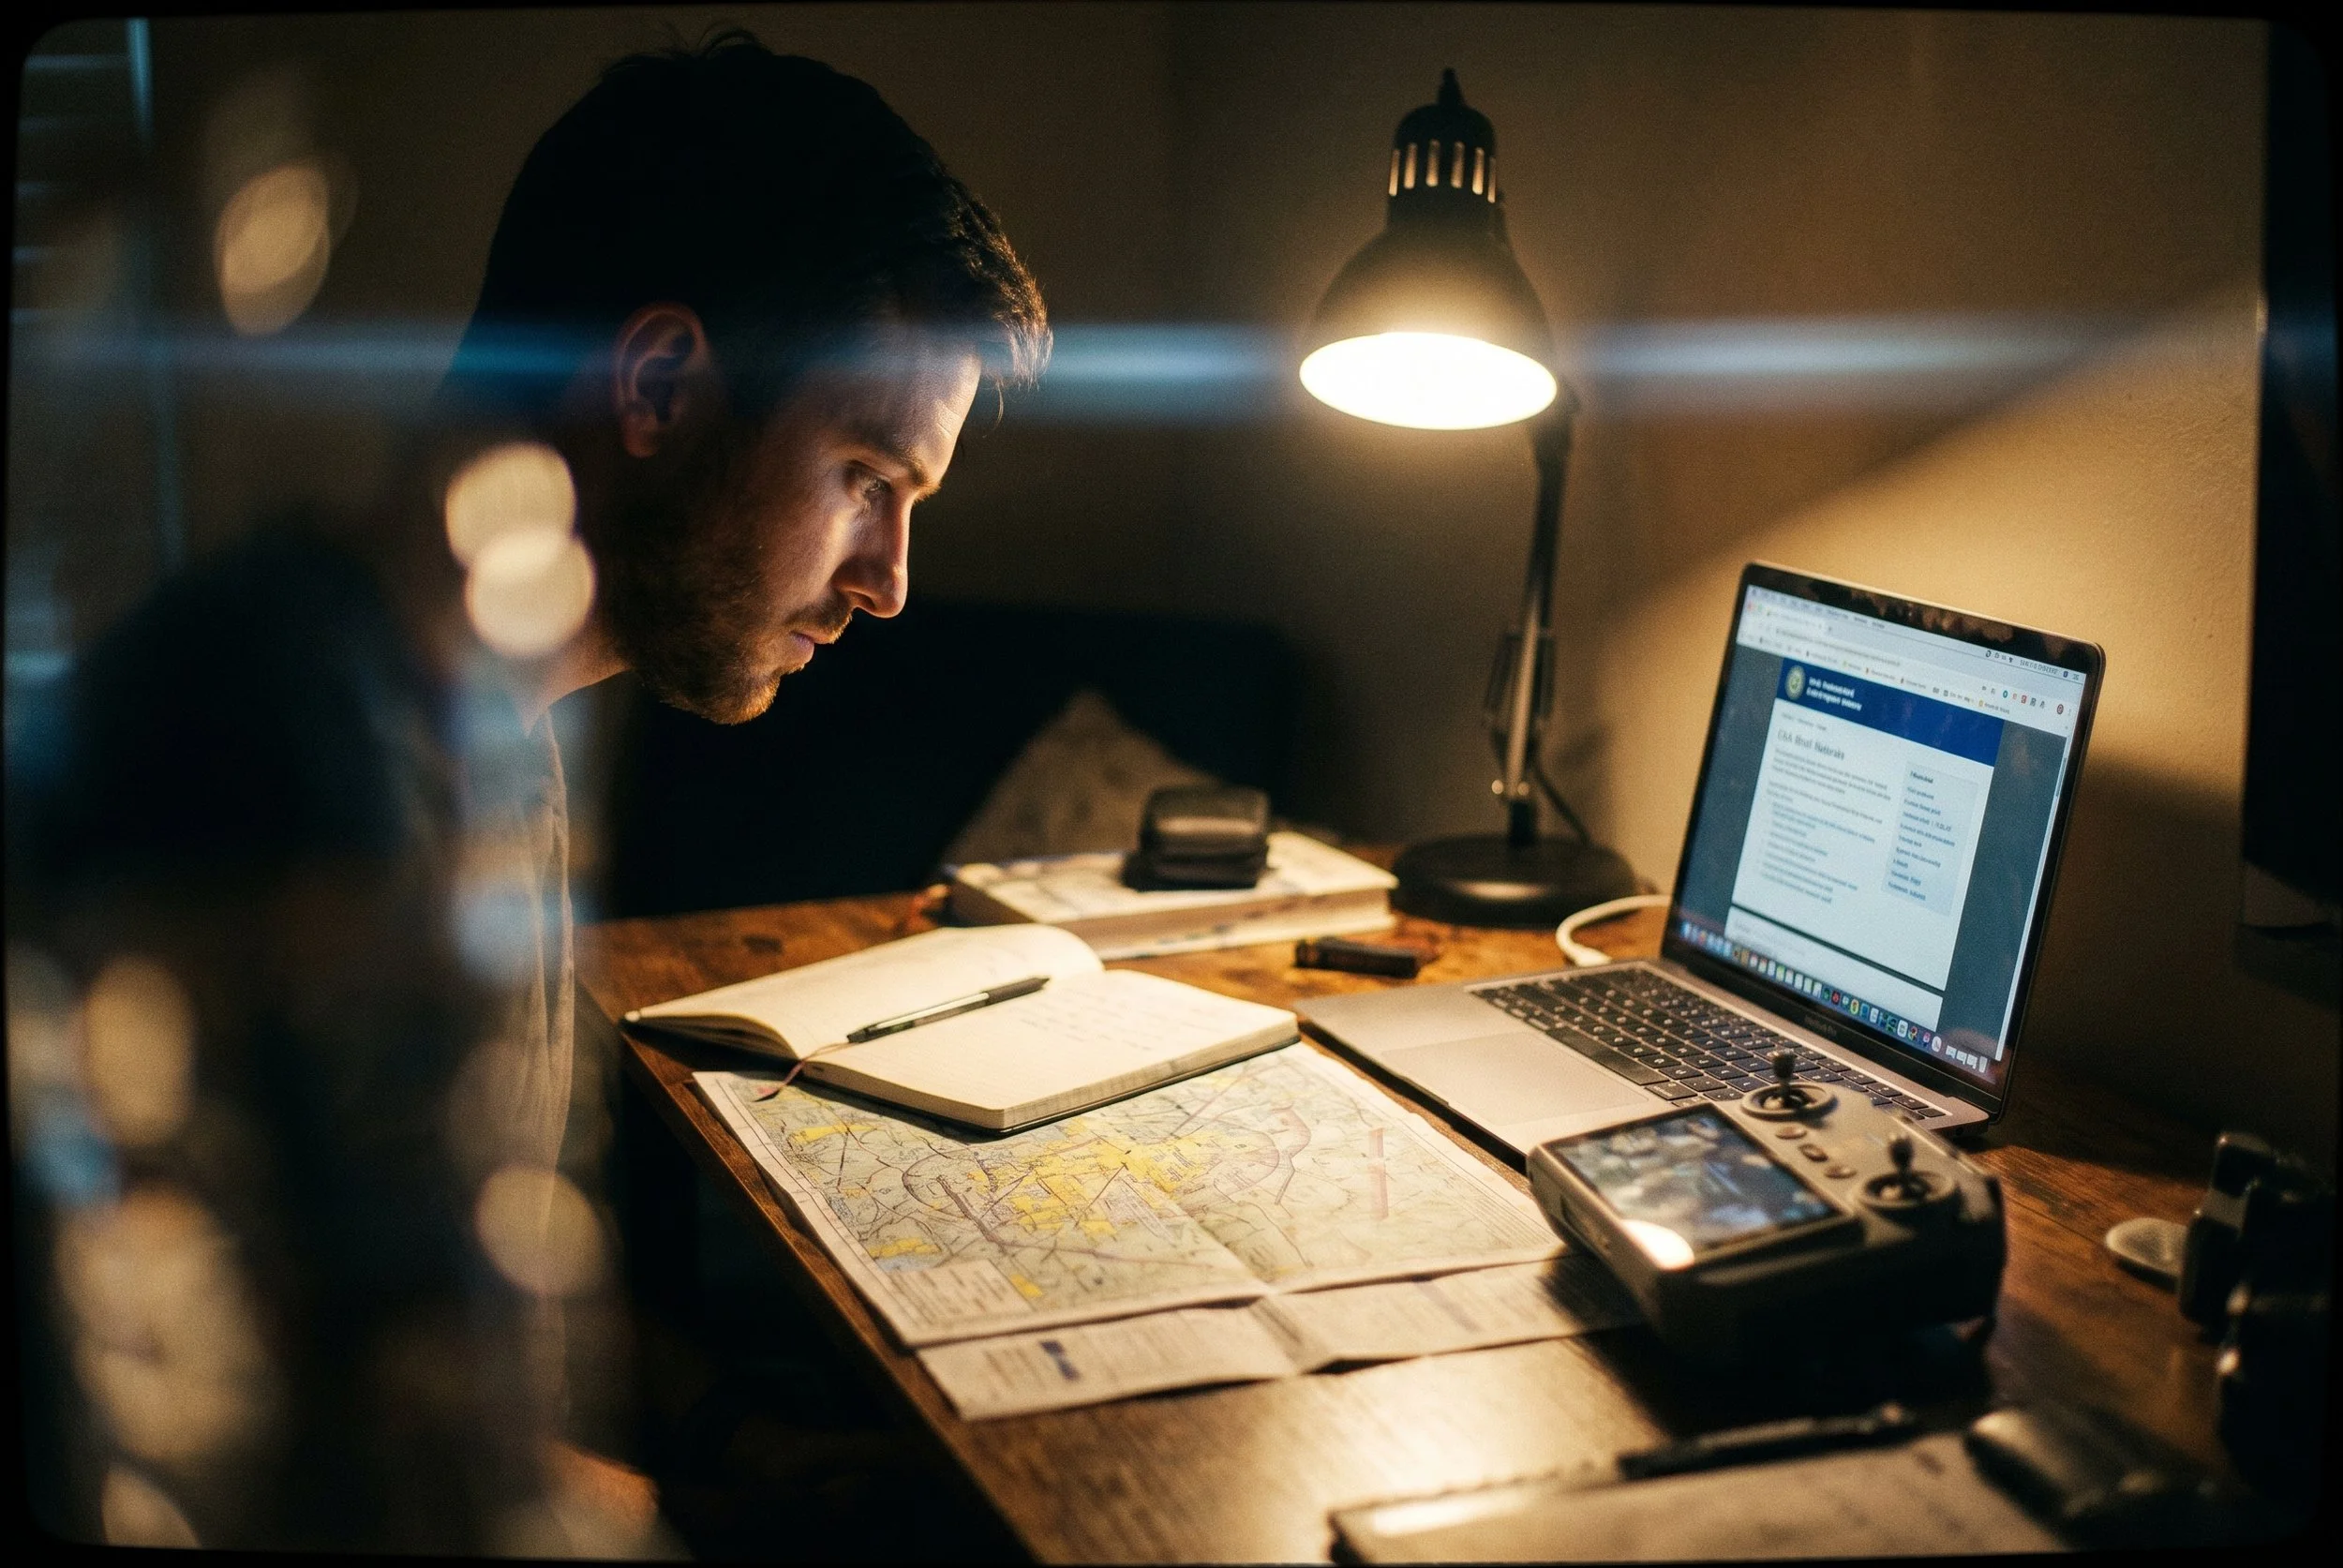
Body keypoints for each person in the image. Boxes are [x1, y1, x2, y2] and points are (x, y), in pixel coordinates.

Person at [8, 31, 1047, 1553]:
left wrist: (733, 1441)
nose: (889, 583)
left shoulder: (474, 703)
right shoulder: (297, 757)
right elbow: (369, 1499)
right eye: (867, 481)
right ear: (661, 381)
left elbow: (468, 1331)